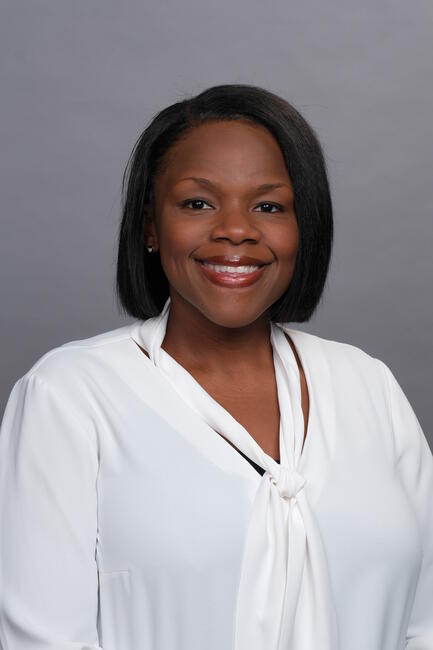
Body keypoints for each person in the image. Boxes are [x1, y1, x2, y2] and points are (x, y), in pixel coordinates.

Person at [0, 83, 431, 650]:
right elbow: (43, 640)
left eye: (269, 206)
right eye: (197, 203)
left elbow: (425, 623)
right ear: (151, 226)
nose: (236, 229)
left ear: (304, 226)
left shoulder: (368, 386)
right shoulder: (69, 397)